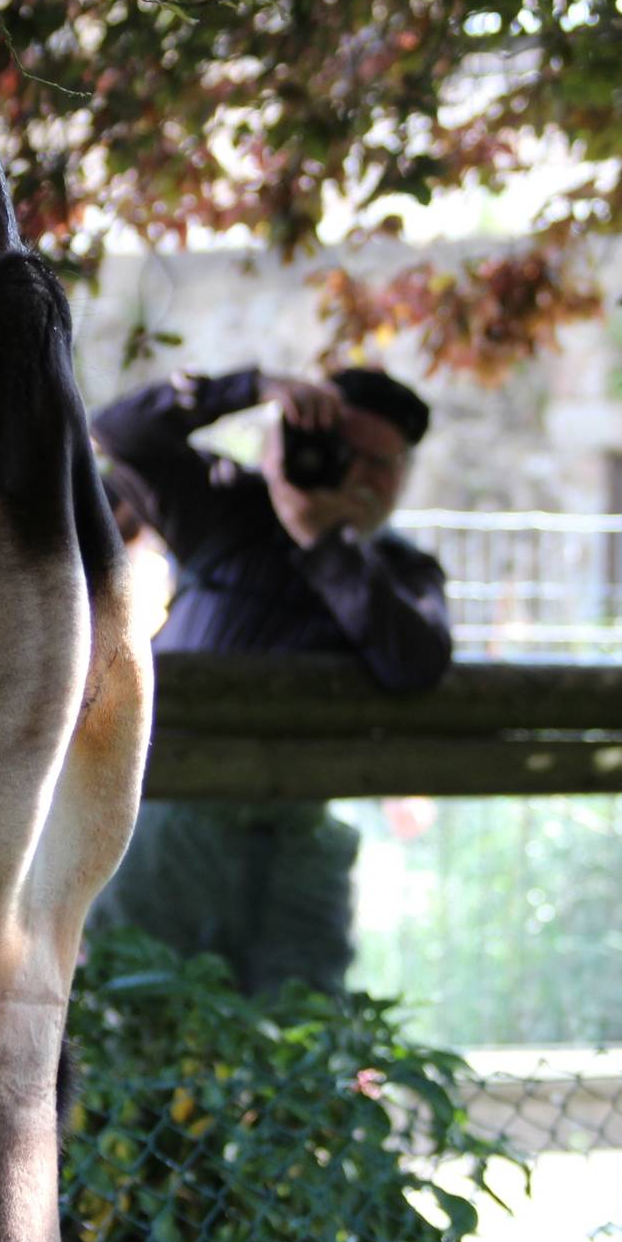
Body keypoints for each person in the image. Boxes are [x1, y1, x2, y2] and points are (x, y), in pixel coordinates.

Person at [86, 363, 452, 996]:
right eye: (345, 453)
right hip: (172, 826)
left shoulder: (401, 569)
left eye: (383, 464)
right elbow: (121, 430)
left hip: (298, 842)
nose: (361, 477)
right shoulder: (230, 508)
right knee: (141, 1016)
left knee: (300, 1031)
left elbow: (416, 663)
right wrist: (255, 389)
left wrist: (323, 542)